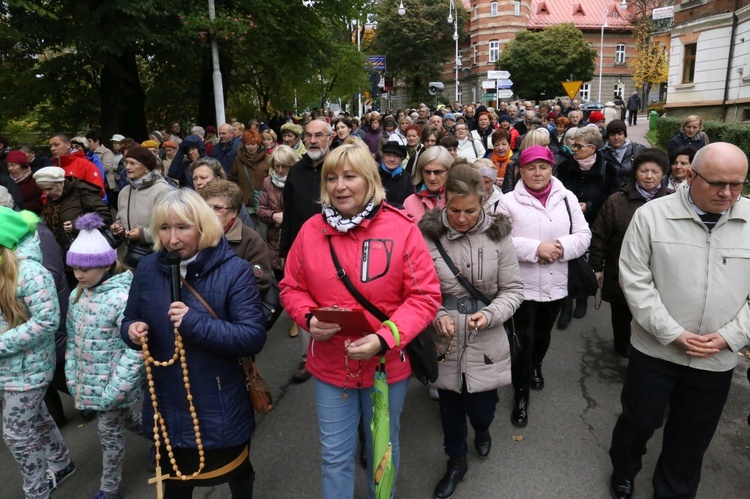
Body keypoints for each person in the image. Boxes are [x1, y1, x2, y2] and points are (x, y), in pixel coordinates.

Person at [279, 143, 441, 499]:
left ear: (368, 179)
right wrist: (307, 318)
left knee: (382, 448)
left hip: (386, 366)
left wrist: (385, 337)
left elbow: (425, 296)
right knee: (335, 455)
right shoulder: (310, 231)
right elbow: (291, 287)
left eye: (350, 176)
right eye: (332, 177)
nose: (340, 186)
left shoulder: (402, 228)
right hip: (331, 365)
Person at [608, 143, 750, 499]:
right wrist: (672, 333)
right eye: (717, 183)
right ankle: (624, 467)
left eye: (737, 184)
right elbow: (635, 281)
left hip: (716, 357)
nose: (727, 193)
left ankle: (672, 491)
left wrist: (731, 336)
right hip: (656, 351)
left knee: (692, 435)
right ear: (689, 175)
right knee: (639, 421)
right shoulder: (652, 216)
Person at [122, 189, 266, 499]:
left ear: (203, 226)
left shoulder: (234, 271)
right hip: (165, 403)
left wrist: (194, 324)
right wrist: (133, 331)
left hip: (217, 403)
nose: (172, 239)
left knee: (236, 471)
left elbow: (253, 336)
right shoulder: (147, 269)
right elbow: (128, 319)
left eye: (183, 227)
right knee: (174, 483)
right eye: (164, 228)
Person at [418, 164, 523, 499]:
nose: (461, 218)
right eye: (454, 210)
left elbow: (514, 290)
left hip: (486, 333)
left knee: (482, 406)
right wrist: (435, 314)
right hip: (444, 338)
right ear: (443, 202)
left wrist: (491, 314)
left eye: (470, 211)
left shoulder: (498, 235)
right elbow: (417, 288)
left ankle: (482, 428)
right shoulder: (426, 235)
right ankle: (455, 461)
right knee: (449, 405)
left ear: (484, 201)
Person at [497, 145, 591, 428]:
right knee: (523, 340)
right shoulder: (507, 201)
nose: (537, 173)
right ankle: (521, 393)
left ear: (552, 168)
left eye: (543, 167)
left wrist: (561, 247)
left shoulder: (567, 198)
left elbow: (584, 235)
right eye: (530, 167)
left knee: (542, 336)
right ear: (520, 171)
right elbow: (500, 241)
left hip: (556, 282)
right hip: (521, 286)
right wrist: (537, 248)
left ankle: (536, 365)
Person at [64, 213, 143, 499]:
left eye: (86, 269)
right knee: (128, 420)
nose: (80, 275)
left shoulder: (120, 298)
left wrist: (117, 387)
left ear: (107, 265)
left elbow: (135, 349)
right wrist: (72, 375)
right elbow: (73, 339)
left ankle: (109, 488)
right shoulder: (78, 295)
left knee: (109, 436)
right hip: (92, 383)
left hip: (112, 383)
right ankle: (162, 437)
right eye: (75, 269)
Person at [0, 207, 75, 498]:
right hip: (10, 367)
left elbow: (46, 320)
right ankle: (61, 462)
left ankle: (36, 490)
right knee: (38, 417)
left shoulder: (32, 272)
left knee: (17, 434)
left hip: (29, 367)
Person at [588, 149, 670, 358]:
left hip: (661, 273)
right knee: (621, 314)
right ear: (635, 173)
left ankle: (648, 352)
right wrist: (597, 267)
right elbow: (600, 234)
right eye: (644, 171)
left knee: (653, 315)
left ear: (663, 174)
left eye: (655, 171)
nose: (649, 176)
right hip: (621, 270)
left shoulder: (673, 202)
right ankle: (622, 347)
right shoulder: (616, 201)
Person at [280, 119, 334, 382]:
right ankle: (306, 358)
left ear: (330, 138)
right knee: (305, 302)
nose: (313, 140)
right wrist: (284, 249)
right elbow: (288, 213)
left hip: (336, 247)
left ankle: (337, 354)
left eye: (319, 135)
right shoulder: (295, 171)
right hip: (301, 249)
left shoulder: (338, 168)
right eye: (309, 136)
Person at [555, 126, 617, 326]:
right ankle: (566, 304)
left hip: (594, 224)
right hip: (566, 223)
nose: (574, 149)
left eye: (578, 146)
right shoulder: (564, 168)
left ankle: (582, 299)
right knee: (566, 262)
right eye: (573, 145)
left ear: (592, 148)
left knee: (586, 264)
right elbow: (557, 193)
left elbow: (612, 198)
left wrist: (589, 206)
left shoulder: (608, 168)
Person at [200, 179, 272, 295]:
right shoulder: (195, 235)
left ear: (234, 212)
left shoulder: (251, 240)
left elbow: (259, 283)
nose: (210, 213)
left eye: (218, 208)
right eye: (207, 207)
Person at [111, 145, 172, 269]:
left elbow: (170, 226)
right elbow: (120, 219)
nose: (127, 167)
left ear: (146, 168)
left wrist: (142, 234)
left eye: (133, 163)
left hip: (158, 256)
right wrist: (117, 227)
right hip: (132, 256)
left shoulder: (162, 190)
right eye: (126, 162)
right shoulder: (124, 192)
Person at [33, 166, 112, 256]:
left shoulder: (82, 191)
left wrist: (77, 225)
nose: (46, 193)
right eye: (44, 190)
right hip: (63, 253)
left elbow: (105, 216)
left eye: (50, 189)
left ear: (61, 183)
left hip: (87, 252)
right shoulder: (52, 197)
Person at [228, 130, 268, 231]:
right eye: (247, 144)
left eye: (253, 144)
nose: (250, 147)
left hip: (264, 202)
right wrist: (238, 194)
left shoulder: (267, 159)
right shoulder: (238, 159)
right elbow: (232, 179)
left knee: (264, 233)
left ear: (258, 144)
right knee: (249, 232)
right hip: (246, 203)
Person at [403, 145, 454, 222]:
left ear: (449, 171)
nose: (431, 178)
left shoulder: (458, 199)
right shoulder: (409, 202)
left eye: (437, 172)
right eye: (427, 172)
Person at [49, 134, 106, 199]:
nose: (52, 149)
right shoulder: (52, 169)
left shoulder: (86, 165)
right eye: (50, 146)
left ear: (68, 145)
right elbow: (45, 195)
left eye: (56, 145)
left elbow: (99, 191)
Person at [600, 120, 646, 187]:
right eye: (612, 135)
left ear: (625, 135)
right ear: (608, 137)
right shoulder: (601, 153)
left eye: (620, 134)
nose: (616, 138)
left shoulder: (638, 150)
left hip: (633, 193)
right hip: (610, 195)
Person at [378, 141, 412, 206]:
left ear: (402, 159)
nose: (392, 159)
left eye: (396, 156)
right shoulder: (374, 175)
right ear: (383, 157)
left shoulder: (408, 179)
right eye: (388, 155)